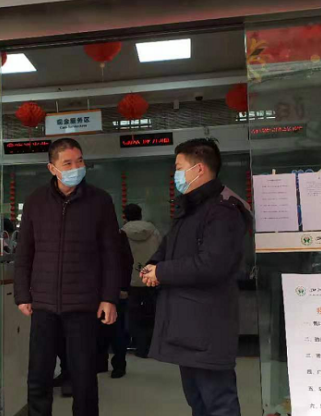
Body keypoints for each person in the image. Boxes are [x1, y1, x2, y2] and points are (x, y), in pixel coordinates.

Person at [141, 138, 252, 416]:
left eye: (179, 168)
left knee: (219, 403)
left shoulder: (223, 210)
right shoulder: (190, 210)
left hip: (208, 326)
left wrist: (161, 272)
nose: (175, 174)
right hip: (187, 325)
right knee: (198, 402)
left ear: (199, 169)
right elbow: (167, 249)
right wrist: (152, 267)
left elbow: (212, 264)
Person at [14, 138, 121, 416]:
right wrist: (22, 293)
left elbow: (112, 253)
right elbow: (25, 251)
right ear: (53, 168)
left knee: (84, 377)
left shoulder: (100, 201)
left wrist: (109, 297)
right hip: (44, 304)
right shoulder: (36, 201)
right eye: (68, 163)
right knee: (39, 375)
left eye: (80, 161)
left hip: (84, 304)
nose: (76, 168)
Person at [122, 203, 162, 358]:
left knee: (133, 314)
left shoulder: (121, 233)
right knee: (152, 313)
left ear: (125, 216)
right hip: (151, 278)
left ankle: (138, 345)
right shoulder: (154, 231)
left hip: (131, 280)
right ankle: (151, 346)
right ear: (140, 214)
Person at [96, 228, 133, 379]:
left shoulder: (117, 235)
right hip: (106, 288)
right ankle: (109, 363)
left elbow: (126, 262)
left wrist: (124, 287)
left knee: (115, 329)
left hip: (109, 289)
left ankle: (116, 364)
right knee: (105, 329)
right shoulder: (117, 234)